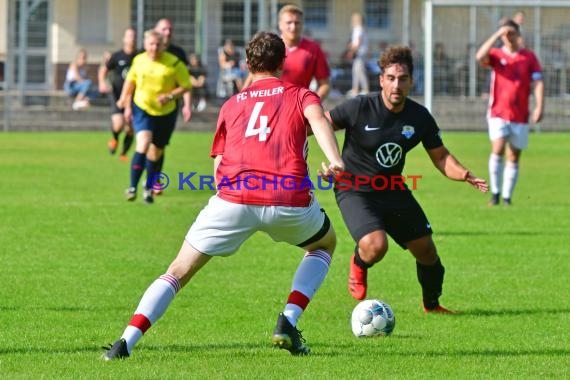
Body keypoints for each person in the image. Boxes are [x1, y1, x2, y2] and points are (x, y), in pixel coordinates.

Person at [102, 31, 344, 360]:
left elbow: (218, 165)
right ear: (283, 63)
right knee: (323, 244)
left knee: (177, 271)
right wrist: (335, 160)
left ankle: (125, 342)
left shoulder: (232, 104)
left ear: (247, 64)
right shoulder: (301, 95)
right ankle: (288, 320)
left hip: (233, 198)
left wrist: (229, 203)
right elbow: (318, 121)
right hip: (288, 198)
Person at [325, 45, 488, 313]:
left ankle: (432, 305)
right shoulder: (360, 107)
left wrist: (464, 174)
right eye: (390, 78)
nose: (396, 85)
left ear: (411, 81)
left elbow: (440, 156)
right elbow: (320, 124)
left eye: (402, 79)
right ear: (381, 80)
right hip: (354, 189)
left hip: (393, 189)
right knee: (376, 246)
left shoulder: (419, 117)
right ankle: (359, 262)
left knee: (426, 250)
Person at [116, 29, 192, 204]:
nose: (154, 48)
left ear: (163, 45)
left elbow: (186, 85)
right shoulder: (139, 60)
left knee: (156, 151)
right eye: (151, 44)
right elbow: (131, 80)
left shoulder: (173, 63)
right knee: (143, 143)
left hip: (166, 113)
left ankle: (148, 188)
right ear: (145, 44)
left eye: (158, 44)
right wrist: (123, 98)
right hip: (142, 107)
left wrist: (170, 96)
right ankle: (132, 186)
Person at [475, 19, 544, 206]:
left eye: (511, 33)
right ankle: (495, 194)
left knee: (514, 155)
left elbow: (538, 82)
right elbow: (479, 56)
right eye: (505, 34)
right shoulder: (496, 55)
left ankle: (507, 198)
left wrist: (539, 106)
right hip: (498, 112)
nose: (508, 36)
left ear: (517, 34)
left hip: (520, 115)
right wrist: (497, 35)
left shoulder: (529, 57)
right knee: (497, 149)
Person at [242, 4, 331, 99]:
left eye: (297, 23)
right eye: (289, 23)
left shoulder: (313, 49)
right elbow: (253, 76)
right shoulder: (268, 46)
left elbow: (324, 84)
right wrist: (241, 100)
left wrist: (311, 103)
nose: (293, 27)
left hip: (296, 107)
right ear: (280, 24)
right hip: (267, 105)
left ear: (302, 25)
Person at [153, 18, 193, 195]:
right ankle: (152, 179)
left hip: (169, 107)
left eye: (170, 29)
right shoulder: (145, 53)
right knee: (147, 142)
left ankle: (154, 177)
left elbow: (185, 81)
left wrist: (187, 105)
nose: (167, 32)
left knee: (159, 145)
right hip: (145, 107)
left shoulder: (178, 54)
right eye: (163, 29)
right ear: (156, 31)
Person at [98, 27, 138, 161]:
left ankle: (123, 154)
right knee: (118, 124)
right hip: (118, 95)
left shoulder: (140, 56)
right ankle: (114, 139)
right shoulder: (117, 56)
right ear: (124, 39)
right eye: (129, 36)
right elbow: (104, 70)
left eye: (133, 36)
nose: (131, 39)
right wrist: (102, 83)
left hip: (134, 97)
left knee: (130, 128)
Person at [346, 12, 369, 97]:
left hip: (359, 53)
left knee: (360, 71)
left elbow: (358, 41)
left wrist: (351, 50)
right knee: (356, 71)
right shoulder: (362, 29)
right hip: (361, 53)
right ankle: (355, 89)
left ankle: (365, 90)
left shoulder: (358, 29)